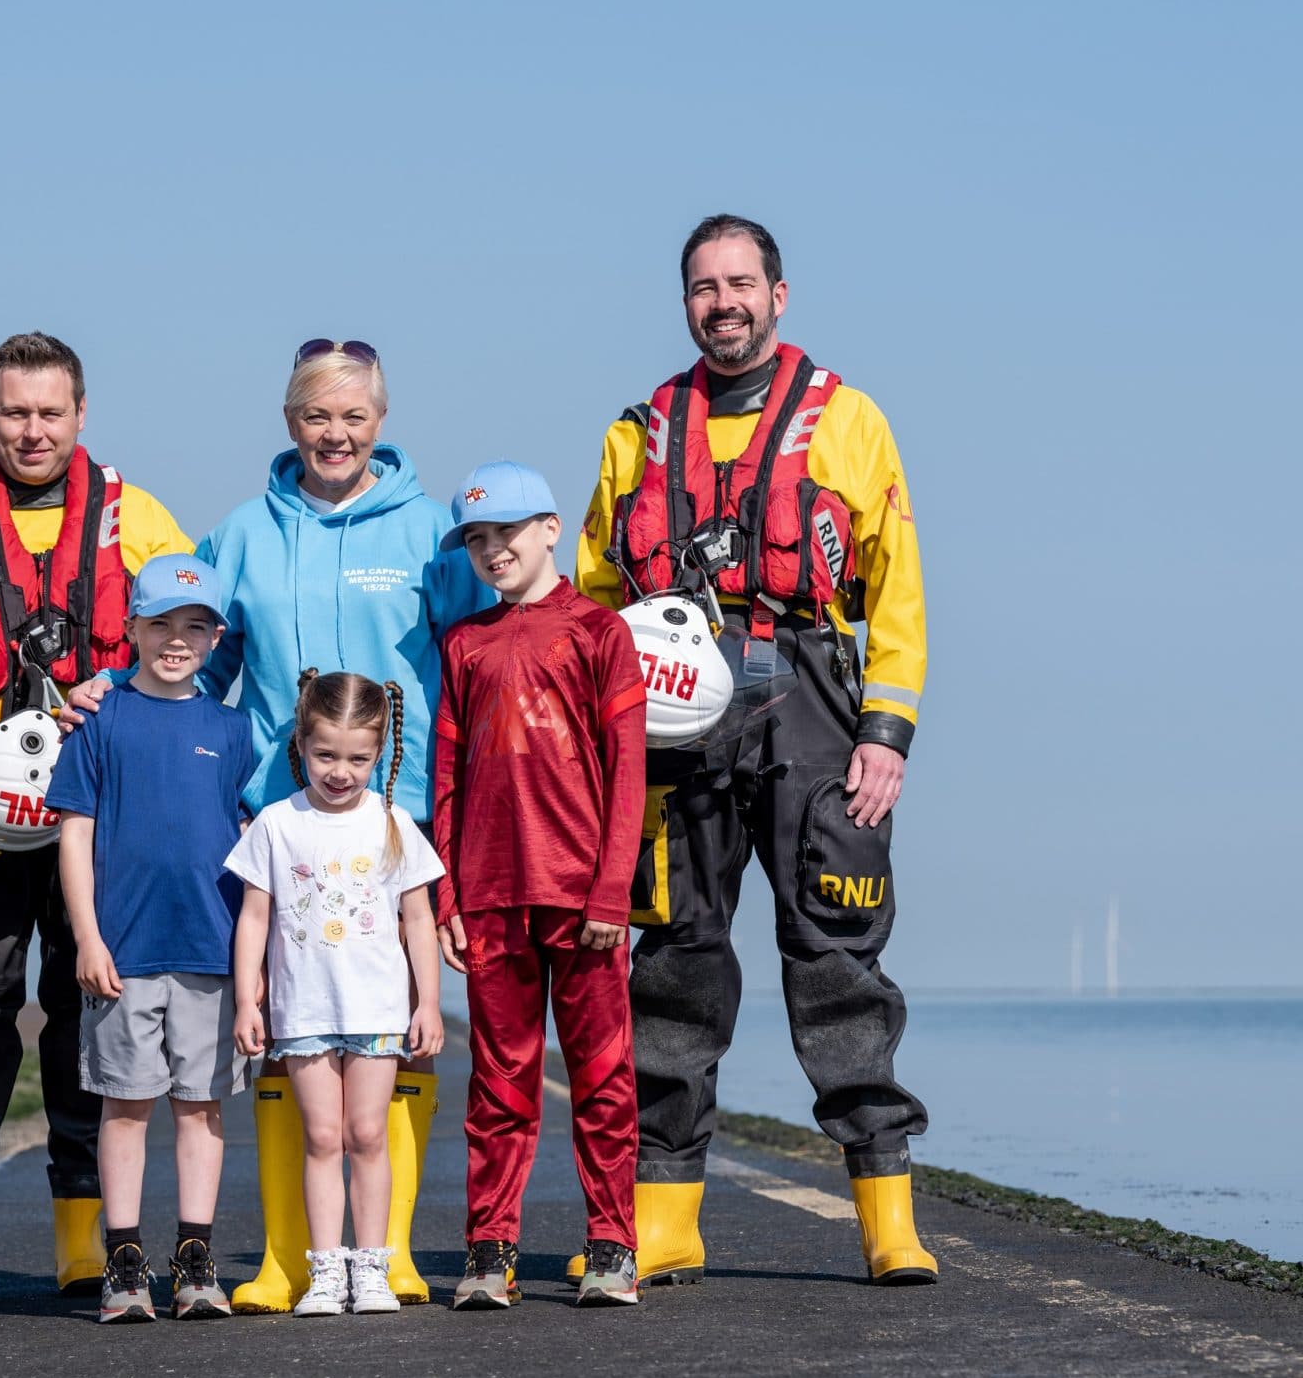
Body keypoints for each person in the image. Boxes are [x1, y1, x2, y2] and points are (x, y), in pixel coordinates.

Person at [66, 340, 490, 1310]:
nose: (332, 434)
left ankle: (389, 1256)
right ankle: (281, 1259)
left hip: (398, 821)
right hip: (274, 825)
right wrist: (106, 694)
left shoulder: (428, 535)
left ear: (379, 422)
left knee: (383, 1028)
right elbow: (194, 670)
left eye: (351, 416)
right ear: (288, 421)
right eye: (314, 416)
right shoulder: (240, 535)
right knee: (288, 1029)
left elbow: (470, 663)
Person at [575, 214, 936, 1286]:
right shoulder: (635, 434)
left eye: (739, 282)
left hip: (811, 705)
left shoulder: (850, 422)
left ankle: (884, 1214)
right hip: (674, 720)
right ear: (683, 303)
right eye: (701, 286)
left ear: (780, 295)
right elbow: (598, 599)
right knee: (673, 961)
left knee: (834, 954)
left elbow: (898, 591)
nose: (720, 301)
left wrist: (885, 735)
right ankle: (666, 1213)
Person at [0, 333, 195, 1306]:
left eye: (49, 413)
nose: (32, 430)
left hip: (91, 822)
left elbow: (192, 638)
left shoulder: (136, 519)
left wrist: (121, 687)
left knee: (86, 1019)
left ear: (81, 414)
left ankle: (83, 1238)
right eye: (14, 412)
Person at [432, 462, 647, 1310]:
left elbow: (628, 773)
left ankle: (612, 1245)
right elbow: (446, 779)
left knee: (603, 1078)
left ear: (552, 529)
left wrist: (609, 893)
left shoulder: (600, 633)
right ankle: (489, 1250)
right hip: (488, 898)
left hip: (582, 898)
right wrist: (447, 897)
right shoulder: (463, 644)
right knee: (498, 1085)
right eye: (478, 540)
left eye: (508, 533)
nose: (493, 551)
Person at [45, 555, 256, 1323]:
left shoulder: (234, 731)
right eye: (160, 623)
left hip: (211, 949)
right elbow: (74, 836)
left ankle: (195, 1260)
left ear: (215, 638)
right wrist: (87, 940)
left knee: (201, 1110)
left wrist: (252, 962)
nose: (177, 639)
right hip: (123, 954)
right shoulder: (99, 719)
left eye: (195, 626)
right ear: (130, 628)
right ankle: (125, 1262)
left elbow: (254, 842)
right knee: (125, 1108)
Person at [227, 672, 445, 1317]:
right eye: (326, 755)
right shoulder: (274, 823)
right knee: (322, 1137)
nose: (340, 772)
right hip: (304, 1012)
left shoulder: (393, 822)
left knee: (367, 1133)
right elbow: (254, 919)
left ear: (379, 754)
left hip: (378, 1011)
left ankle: (371, 1267)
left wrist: (426, 1003)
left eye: (358, 758)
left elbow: (419, 921)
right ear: (300, 743)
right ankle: (325, 1271)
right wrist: (248, 1001)